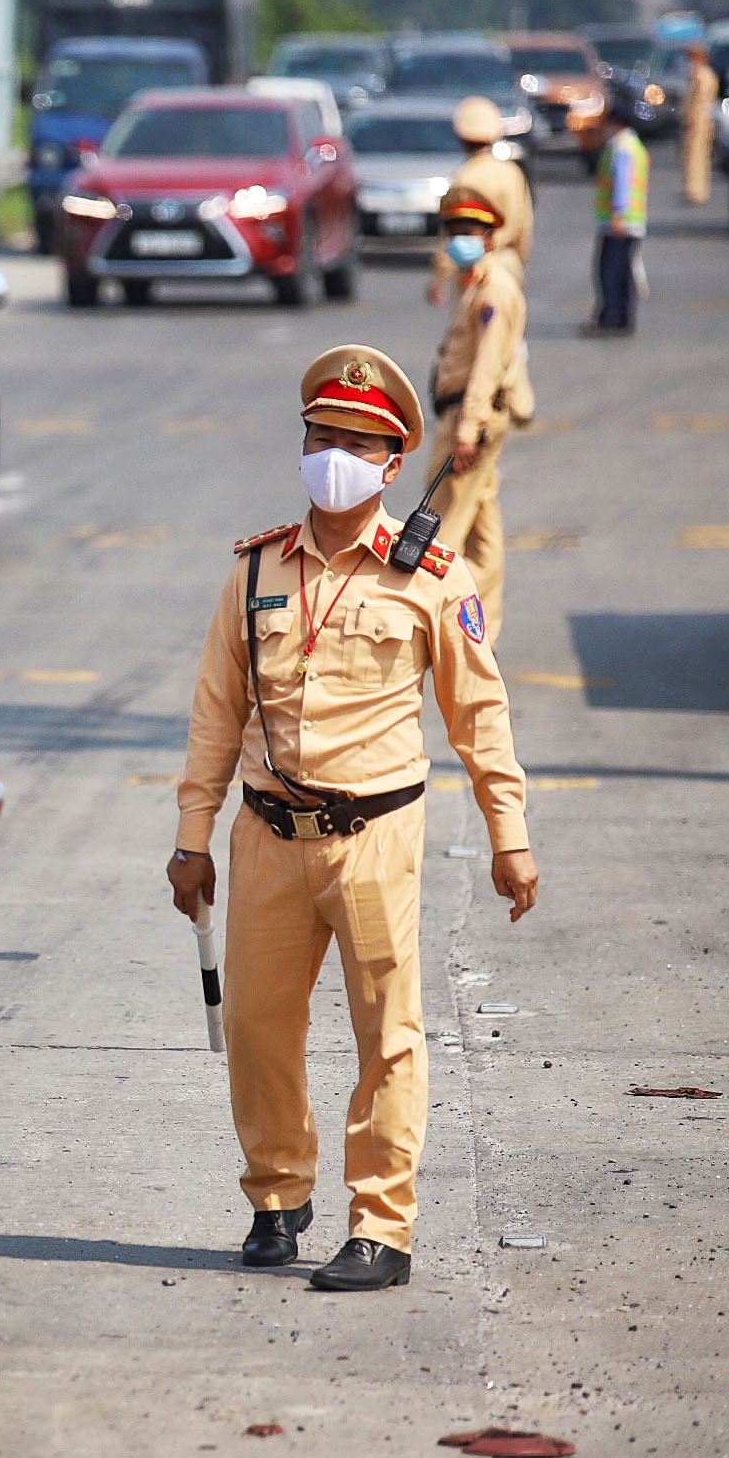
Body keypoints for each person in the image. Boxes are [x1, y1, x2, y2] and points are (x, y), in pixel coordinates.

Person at [165, 345, 538, 1292]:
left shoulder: (433, 576)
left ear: (393, 463)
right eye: (321, 437)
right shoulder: (255, 569)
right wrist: (191, 838)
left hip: (375, 836)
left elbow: (479, 715)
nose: (335, 456)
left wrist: (509, 834)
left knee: (387, 1035)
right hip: (267, 837)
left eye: (358, 443)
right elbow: (216, 714)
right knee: (258, 1028)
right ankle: (277, 1196)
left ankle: (381, 1227)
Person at [426, 187, 533, 634]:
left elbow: (487, 366)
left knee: (442, 526)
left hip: (471, 418)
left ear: (489, 238)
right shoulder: (471, 283)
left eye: (469, 232)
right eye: (453, 231)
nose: (459, 240)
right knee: (483, 528)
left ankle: (439, 626)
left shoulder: (494, 291)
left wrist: (467, 430)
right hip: (466, 413)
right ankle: (483, 627)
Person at [427, 97, 532, 305]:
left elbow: (452, 233)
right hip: (508, 265)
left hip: (473, 271)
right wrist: (517, 259)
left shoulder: (464, 179)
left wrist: (440, 276)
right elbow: (523, 226)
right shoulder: (512, 173)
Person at [587, 87, 649, 335]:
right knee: (623, 272)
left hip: (619, 223)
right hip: (632, 221)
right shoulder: (635, 146)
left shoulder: (621, 148)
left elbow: (623, 183)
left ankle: (611, 317)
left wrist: (618, 215)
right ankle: (623, 318)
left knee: (610, 272)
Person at [681, 43, 719, 206]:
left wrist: (690, 116)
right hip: (702, 119)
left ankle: (695, 190)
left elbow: (698, 100)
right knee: (697, 155)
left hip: (698, 120)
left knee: (695, 155)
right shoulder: (705, 74)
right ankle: (696, 189)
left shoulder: (702, 75)